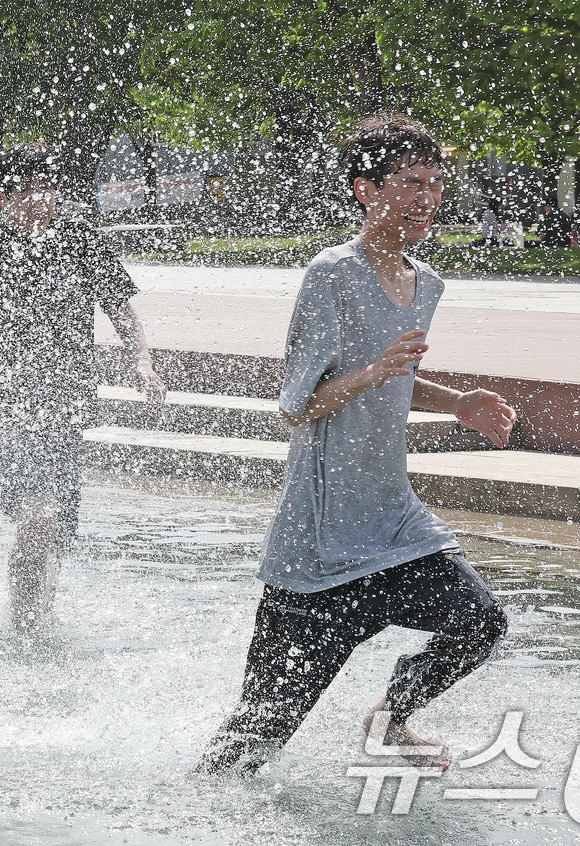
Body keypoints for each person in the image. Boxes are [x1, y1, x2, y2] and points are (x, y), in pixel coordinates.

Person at [196, 115, 515, 777]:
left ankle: (390, 717)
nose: (426, 197)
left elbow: (392, 369)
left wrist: (456, 402)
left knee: (480, 622)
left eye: (434, 182)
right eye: (409, 182)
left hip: (394, 525)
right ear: (367, 190)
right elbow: (297, 405)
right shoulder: (331, 273)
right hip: (319, 546)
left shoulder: (426, 283)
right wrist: (371, 373)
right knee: (246, 749)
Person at [0, 142, 167, 632]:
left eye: (48, 191)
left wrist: (142, 362)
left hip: (68, 408)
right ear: (3, 199)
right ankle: (24, 630)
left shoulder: (79, 238)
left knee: (56, 531)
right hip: (5, 409)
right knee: (39, 517)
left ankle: (38, 619)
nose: (40, 203)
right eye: (28, 193)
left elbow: (121, 308)